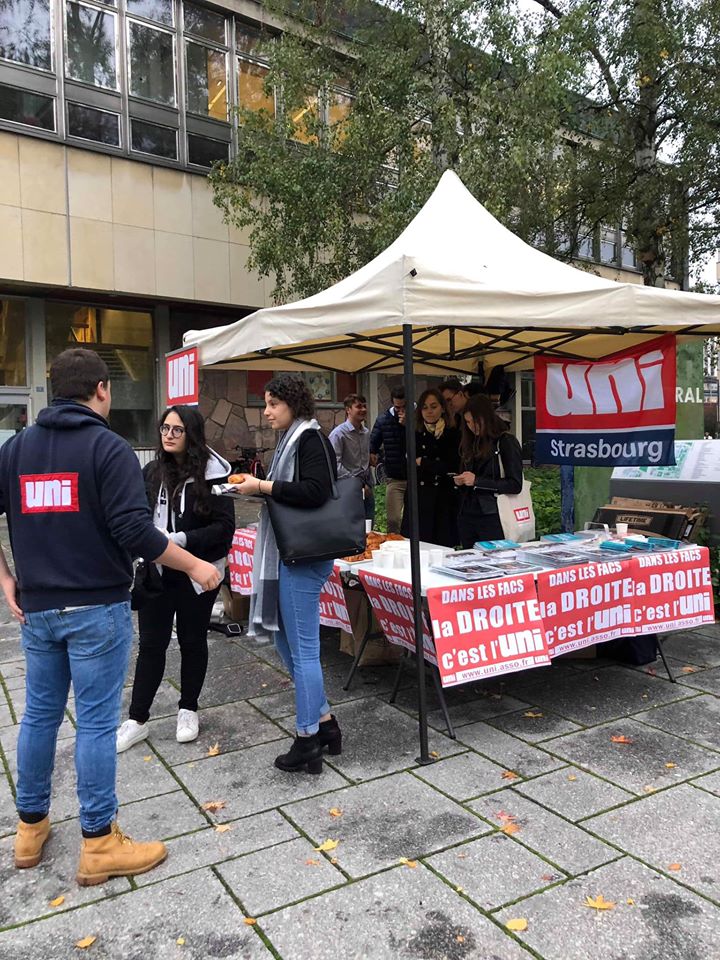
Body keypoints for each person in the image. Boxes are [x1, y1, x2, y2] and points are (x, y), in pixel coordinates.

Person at [0, 348, 222, 886]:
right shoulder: (109, 448)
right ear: (102, 389)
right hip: (97, 608)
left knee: (39, 717)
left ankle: (30, 830)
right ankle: (98, 842)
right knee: (97, 723)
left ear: (54, 389)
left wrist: (7, 581)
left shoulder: (15, 449)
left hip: (39, 611)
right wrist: (198, 566)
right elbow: (136, 533)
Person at [233, 375, 341, 774]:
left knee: (305, 650)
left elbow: (315, 492)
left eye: (273, 403)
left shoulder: (311, 439)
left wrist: (262, 485)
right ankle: (326, 724)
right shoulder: (293, 438)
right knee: (282, 639)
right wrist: (257, 488)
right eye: (266, 403)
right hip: (291, 555)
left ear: (293, 404)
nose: (267, 411)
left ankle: (307, 737)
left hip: (305, 558)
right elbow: (291, 490)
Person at [116, 405, 235, 753]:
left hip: (197, 573)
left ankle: (188, 709)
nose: (168, 435)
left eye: (177, 430)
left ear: (192, 435)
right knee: (151, 644)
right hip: (156, 571)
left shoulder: (213, 475)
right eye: (165, 428)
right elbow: (136, 518)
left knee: (192, 640)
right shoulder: (151, 471)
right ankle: (137, 719)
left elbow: (224, 529)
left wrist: (179, 541)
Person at [453, 393, 524, 548]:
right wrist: (461, 480)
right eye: (468, 422)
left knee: (496, 560)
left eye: (475, 421)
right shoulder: (470, 442)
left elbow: (515, 484)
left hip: (494, 514)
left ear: (486, 417)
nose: (472, 426)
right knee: (469, 561)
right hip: (467, 512)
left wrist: (477, 481)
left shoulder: (506, 442)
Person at [401, 388, 459, 547]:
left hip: (443, 496)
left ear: (442, 407)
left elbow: (453, 465)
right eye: (425, 407)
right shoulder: (414, 432)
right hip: (419, 496)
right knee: (417, 545)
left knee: (441, 545)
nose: (429, 411)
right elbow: (406, 461)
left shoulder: (452, 432)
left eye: (433, 406)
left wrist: (424, 462)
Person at [329, 394, 374, 525]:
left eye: (364, 406)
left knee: (369, 526)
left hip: (367, 487)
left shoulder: (366, 432)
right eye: (358, 406)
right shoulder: (338, 434)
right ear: (348, 409)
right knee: (351, 526)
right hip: (348, 488)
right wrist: (355, 483)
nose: (363, 410)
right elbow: (334, 464)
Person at [369, 385, 407, 534]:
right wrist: (374, 453)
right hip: (394, 476)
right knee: (393, 519)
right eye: (397, 407)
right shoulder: (383, 419)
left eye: (404, 406)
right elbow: (373, 442)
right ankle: (395, 544)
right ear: (392, 403)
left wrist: (408, 426)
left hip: (416, 477)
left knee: (413, 520)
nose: (401, 410)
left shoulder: (417, 417)